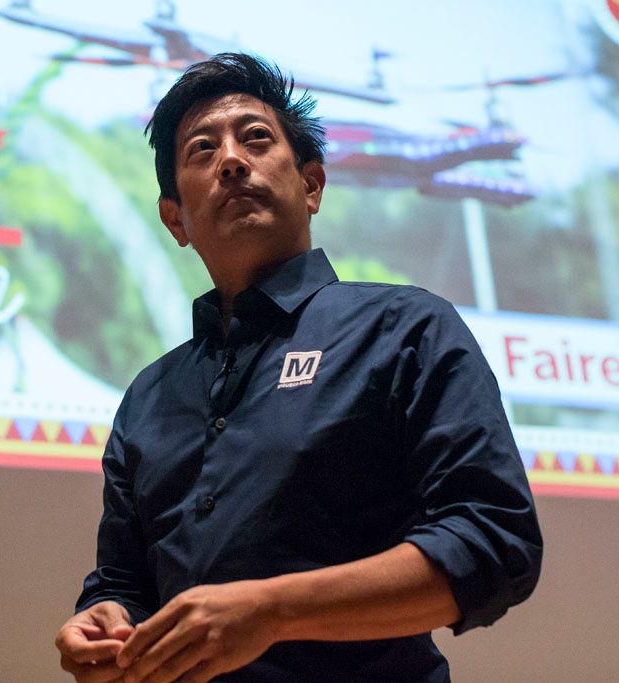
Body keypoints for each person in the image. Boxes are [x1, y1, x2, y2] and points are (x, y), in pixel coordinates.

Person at [54, 53, 542, 683]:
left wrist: (273, 610)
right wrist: (101, 620)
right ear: (176, 219)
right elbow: (123, 581)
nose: (231, 159)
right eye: (201, 150)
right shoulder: (148, 396)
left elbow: (494, 541)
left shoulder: (404, 328)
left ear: (311, 185)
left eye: (256, 138)